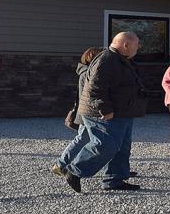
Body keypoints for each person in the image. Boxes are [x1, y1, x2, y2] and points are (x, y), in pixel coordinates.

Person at [52, 32, 145, 192]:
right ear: (126, 45)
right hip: (104, 113)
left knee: (122, 147)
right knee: (105, 145)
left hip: (122, 112)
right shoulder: (107, 59)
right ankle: (74, 171)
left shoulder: (120, 60)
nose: (138, 48)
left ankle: (114, 180)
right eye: (136, 45)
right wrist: (105, 109)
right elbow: (95, 87)